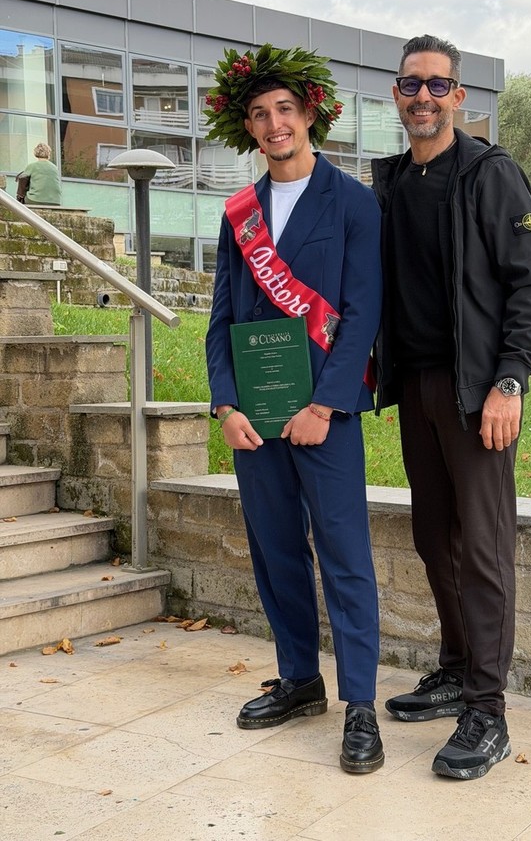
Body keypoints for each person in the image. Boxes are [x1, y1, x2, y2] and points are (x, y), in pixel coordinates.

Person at [372, 34, 531, 781]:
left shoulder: (490, 174)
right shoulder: (387, 182)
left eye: (438, 86)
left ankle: (488, 710)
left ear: (461, 98)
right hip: (415, 386)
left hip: (477, 390)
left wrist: (509, 381)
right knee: (431, 537)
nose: (424, 97)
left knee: (482, 549)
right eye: (411, 85)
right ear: (396, 94)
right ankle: (455, 668)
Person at [205, 44, 384, 774]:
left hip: (324, 417)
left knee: (344, 557)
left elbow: (365, 310)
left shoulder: (354, 201)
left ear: (309, 115)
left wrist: (328, 404)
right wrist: (224, 405)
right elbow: (220, 316)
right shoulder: (238, 213)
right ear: (247, 128)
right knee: (275, 550)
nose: (274, 123)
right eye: (260, 114)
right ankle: (300, 679)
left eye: (285, 110)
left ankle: (362, 706)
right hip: (256, 416)